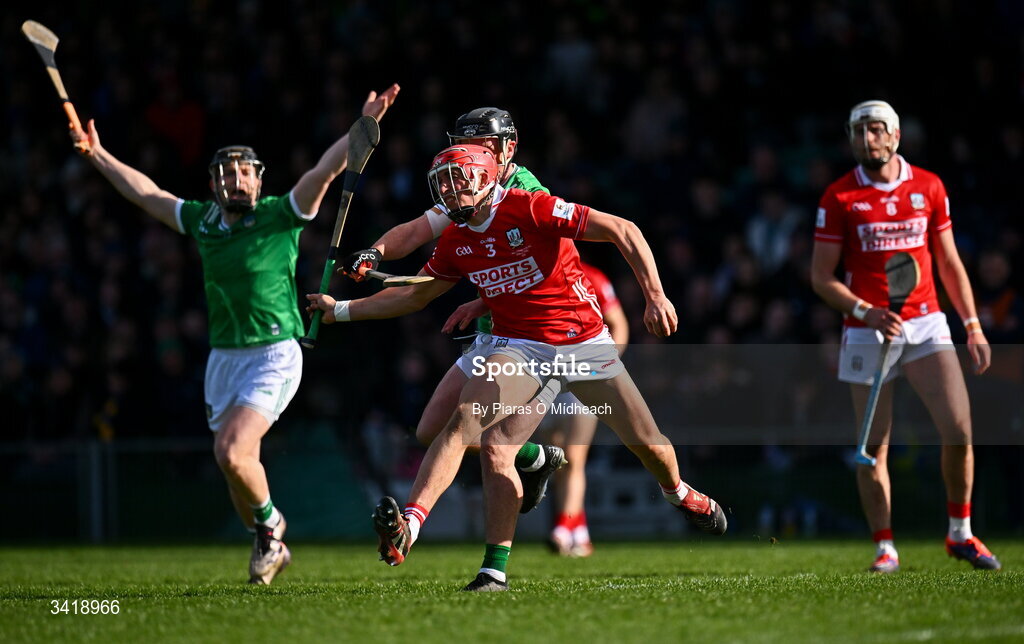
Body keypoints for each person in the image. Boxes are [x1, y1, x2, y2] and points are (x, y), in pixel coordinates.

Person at [307, 144, 727, 591]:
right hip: (519, 348)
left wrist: (655, 295)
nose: (449, 190)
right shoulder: (455, 238)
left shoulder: (531, 206)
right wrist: (342, 310)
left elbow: (623, 229)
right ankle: (424, 535)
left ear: (489, 177)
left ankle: (678, 492)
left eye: (458, 179)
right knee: (470, 422)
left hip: (582, 342)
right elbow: (414, 295)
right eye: (443, 182)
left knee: (651, 446)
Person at [71, 83, 401, 584]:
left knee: (230, 450)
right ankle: (268, 537)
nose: (236, 179)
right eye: (226, 173)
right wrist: (97, 154)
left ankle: (273, 528)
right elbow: (148, 194)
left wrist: (362, 128)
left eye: (244, 171)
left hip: (274, 354)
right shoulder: (204, 223)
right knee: (236, 469)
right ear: (214, 184)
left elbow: (324, 171)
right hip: (223, 360)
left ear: (257, 179)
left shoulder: (279, 214)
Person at [342, 107, 568, 514]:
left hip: (530, 334)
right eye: (463, 146)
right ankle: (535, 458)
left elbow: (553, 257)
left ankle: (485, 561)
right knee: (432, 431)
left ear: (505, 149)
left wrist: (486, 296)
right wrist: (374, 252)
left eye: (480, 146)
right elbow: (414, 230)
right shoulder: (465, 185)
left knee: (478, 436)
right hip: (492, 328)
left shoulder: (526, 190)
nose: (469, 156)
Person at [811, 100, 1001, 573]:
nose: (867, 139)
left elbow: (949, 261)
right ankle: (885, 546)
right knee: (873, 446)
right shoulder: (839, 198)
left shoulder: (929, 186)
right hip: (866, 330)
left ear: (895, 136)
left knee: (959, 430)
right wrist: (866, 311)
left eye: (876, 130)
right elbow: (821, 277)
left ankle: (960, 533)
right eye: (859, 131)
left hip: (926, 323)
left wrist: (972, 324)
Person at [442, 261, 629, 558]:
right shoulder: (524, 273)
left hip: (577, 372)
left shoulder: (592, 276)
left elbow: (618, 324)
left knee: (574, 454)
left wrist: (596, 369)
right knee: (548, 451)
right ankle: (577, 528)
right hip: (535, 372)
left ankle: (565, 528)